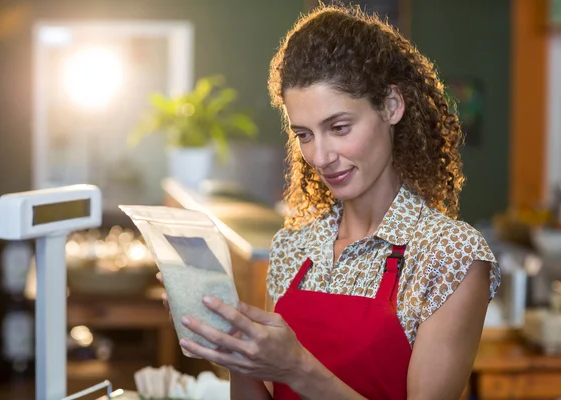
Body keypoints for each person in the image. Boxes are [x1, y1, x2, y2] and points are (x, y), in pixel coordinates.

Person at [158, 4, 500, 400]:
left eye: (339, 128)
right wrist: (235, 348)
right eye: (304, 135)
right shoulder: (294, 248)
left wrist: (298, 368)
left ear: (391, 106)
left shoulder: (450, 256)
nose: (320, 157)